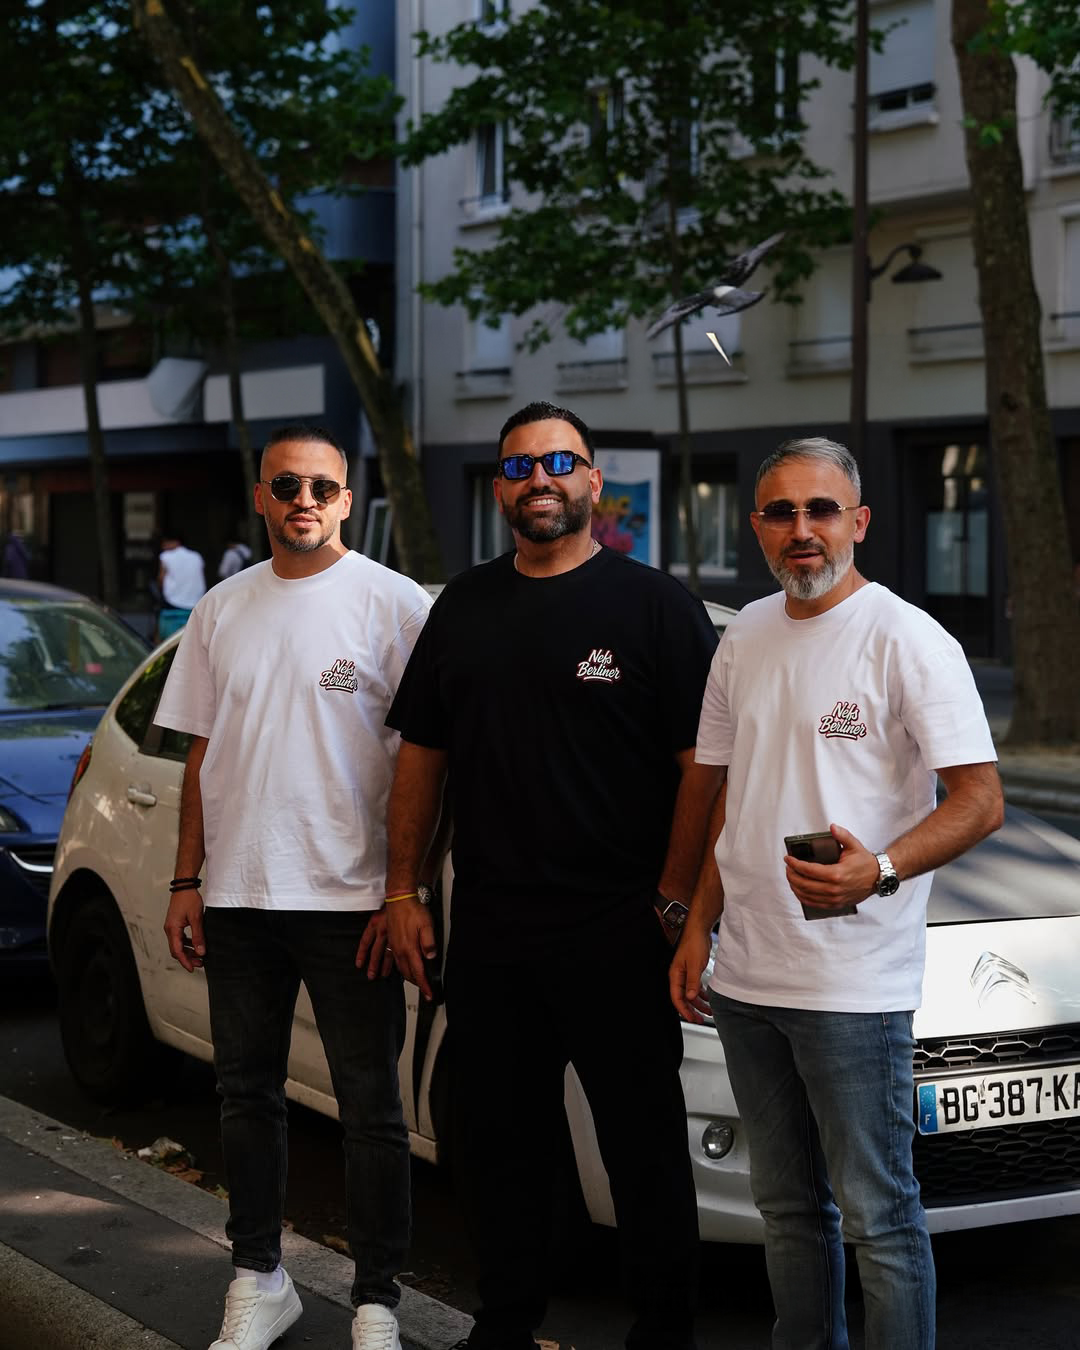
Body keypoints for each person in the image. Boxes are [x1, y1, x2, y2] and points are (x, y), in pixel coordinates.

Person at [384, 400, 719, 1350]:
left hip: (620, 928)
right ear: (500, 490)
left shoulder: (656, 607)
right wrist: (404, 889)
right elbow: (422, 758)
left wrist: (678, 900)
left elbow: (706, 771)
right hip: (492, 929)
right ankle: (506, 1324)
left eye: (560, 463)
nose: (540, 480)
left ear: (593, 482)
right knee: (500, 1147)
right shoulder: (463, 607)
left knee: (642, 1147)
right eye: (520, 467)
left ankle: (665, 1334)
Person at [669, 436, 1004, 1350]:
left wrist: (880, 867)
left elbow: (980, 801)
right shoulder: (745, 635)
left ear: (859, 521)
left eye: (821, 510)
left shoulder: (908, 638)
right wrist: (697, 925)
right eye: (781, 513)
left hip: (853, 985)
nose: (802, 529)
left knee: (879, 1220)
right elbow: (733, 794)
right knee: (787, 1211)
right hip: (746, 977)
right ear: (757, 528)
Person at [154, 423, 431, 1350]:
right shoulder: (220, 608)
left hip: (352, 901)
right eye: (285, 487)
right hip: (239, 896)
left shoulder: (394, 605)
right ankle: (258, 1280)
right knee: (246, 1099)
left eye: (319, 487)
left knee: (372, 1112)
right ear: (261, 499)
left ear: (346, 500)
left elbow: (427, 761)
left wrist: (404, 890)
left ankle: (377, 1303)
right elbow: (203, 753)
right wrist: (186, 878)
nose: (302, 501)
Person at [158, 532, 207, 638]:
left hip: (172, 603)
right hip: (196, 602)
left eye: (165, 543)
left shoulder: (166, 556)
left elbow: (161, 579)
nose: (163, 546)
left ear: (175, 542)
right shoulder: (196, 556)